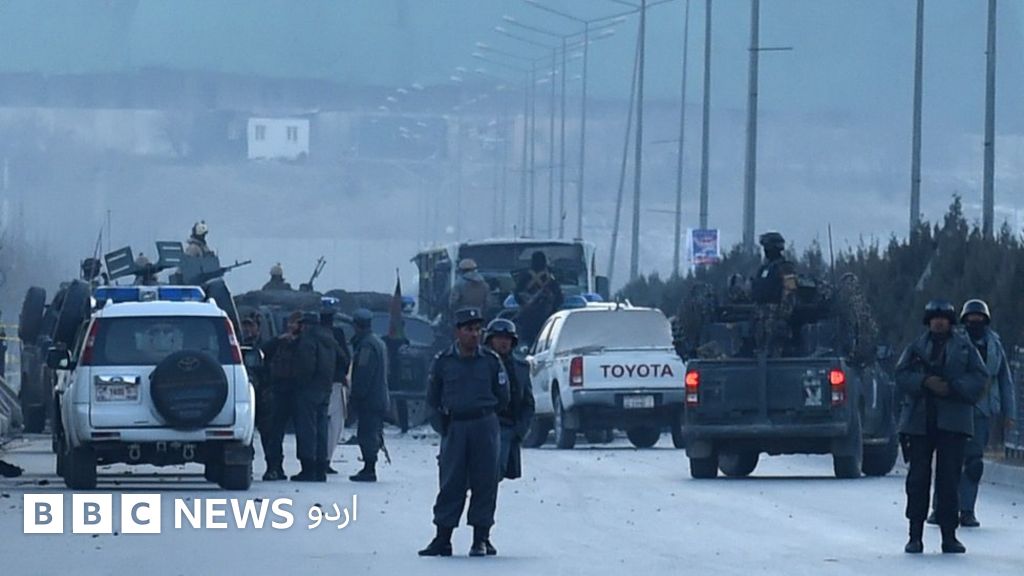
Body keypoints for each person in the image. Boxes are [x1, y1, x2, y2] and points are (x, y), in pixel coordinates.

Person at [896, 299, 987, 554]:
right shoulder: (916, 347)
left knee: (949, 481)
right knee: (917, 480)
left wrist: (953, 388)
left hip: (952, 422)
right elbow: (901, 374)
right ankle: (915, 536)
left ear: (950, 322)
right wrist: (924, 382)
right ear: (928, 321)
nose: (939, 322)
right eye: (935, 318)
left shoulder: (965, 348)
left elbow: (980, 377)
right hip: (920, 422)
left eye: (943, 318)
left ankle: (949, 536)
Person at [419, 308, 510, 558]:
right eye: (469, 329)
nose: (474, 334)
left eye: (478, 330)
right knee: (451, 482)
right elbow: (432, 399)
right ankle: (443, 538)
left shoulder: (491, 361)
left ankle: (480, 539)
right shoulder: (443, 361)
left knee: (485, 482)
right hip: (456, 426)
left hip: (484, 426)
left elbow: (503, 397)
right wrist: (444, 427)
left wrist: (487, 416)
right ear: (457, 332)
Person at [927, 299, 1017, 528]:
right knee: (948, 461)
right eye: (971, 319)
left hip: (982, 411)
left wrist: (1009, 413)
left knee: (974, 464)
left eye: (979, 320)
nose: (975, 323)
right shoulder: (954, 342)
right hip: (956, 408)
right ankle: (940, 508)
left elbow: (1004, 380)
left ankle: (967, 510)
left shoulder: (994, 345)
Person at [291, 311, 347, 482]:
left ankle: (308, 468)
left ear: (307, 325)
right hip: (325, 388)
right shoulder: (330, 338)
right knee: (322, 429)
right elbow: (344, 359)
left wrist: (302, 382)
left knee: (307, 429)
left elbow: (306, 365)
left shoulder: (308, 339)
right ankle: (321, 468)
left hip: (309, 389)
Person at [483, 319, 534, 487]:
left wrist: (520, 430)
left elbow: (528, 403)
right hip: (482, 426)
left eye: (507, 338)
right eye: (499, 338)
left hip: (507, 428)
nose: (503, 342)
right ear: (490, 340)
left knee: (494, 475)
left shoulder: (520, 367)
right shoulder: (479, 364)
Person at [259, 311, 303, 481]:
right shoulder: (280, 342)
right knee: (274, 432)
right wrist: (280, 340)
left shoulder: (305, 343)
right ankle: (274, 467)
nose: (292, 326)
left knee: (302, 432)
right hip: (279, 392)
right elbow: (263, 352)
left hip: (297, 392)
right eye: (290, 323)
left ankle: (307, 466)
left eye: (295, 323)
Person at [348, 309, 389, 482]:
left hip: (370, 398)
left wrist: (356, 396)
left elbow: (363, 374)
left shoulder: (366, 346)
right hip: (378, 396)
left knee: (367, 433)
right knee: (372, 431)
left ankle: (369, 468)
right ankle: (369, 466)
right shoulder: (377, 342)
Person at [322, 305, 352, 475]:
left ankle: (318, 458)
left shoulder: (310, 335)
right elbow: (345, 358)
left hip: (316, 385)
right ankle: (326, 459)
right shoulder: (337, 335)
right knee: (335, 425)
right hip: (335, 383)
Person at [513, 251, 563, 346]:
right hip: (547, 317)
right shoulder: (550, 278)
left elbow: (516, 294)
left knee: (526, 341)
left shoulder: (525, 277)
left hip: (528, 317)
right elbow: (559, 298)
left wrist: (524, 303)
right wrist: (553, 308)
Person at [750, 232, 796, 305]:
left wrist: (782, 310)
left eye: (767, 247)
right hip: (760, 310)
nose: (765, 250)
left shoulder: (786, 267)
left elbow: (790, 291)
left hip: (777, 310)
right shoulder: (763, 268)